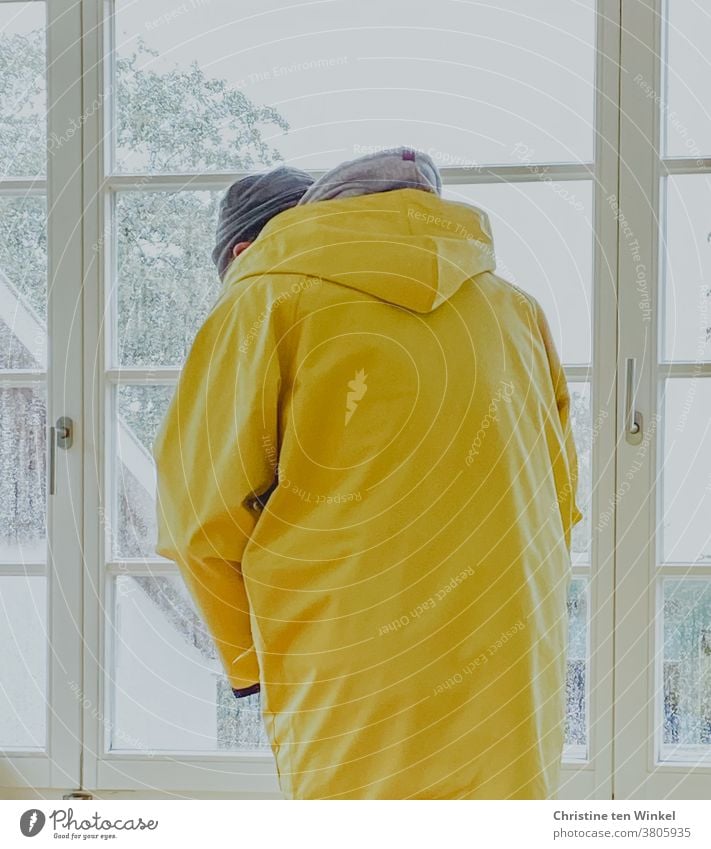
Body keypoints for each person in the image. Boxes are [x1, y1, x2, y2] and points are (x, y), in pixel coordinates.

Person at [153, 147, 583, 799]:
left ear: (242, 254)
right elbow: (557, 499)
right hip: (510, 668)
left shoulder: (262, 302)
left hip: (350, 670)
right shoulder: (516, 310)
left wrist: (248, 662)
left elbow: (197, 519)